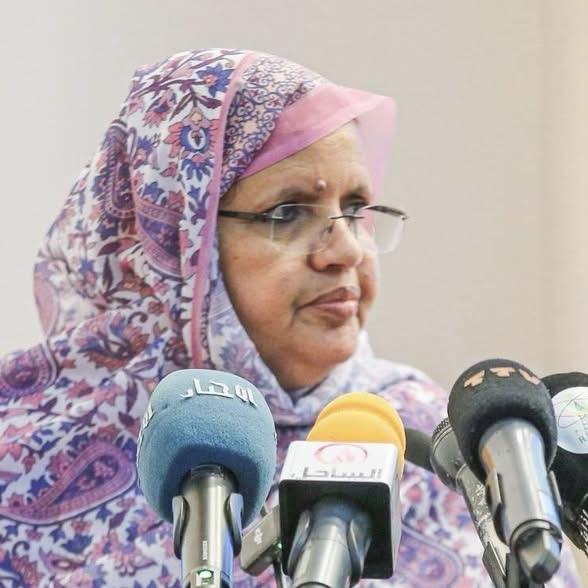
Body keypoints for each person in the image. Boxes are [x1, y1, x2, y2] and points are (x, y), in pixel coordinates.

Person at [0, 49, 580, 588]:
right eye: (288, 212)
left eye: (356, 209)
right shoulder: (28, 455)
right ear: (175, 238)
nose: (346, 250)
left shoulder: (444, 447)